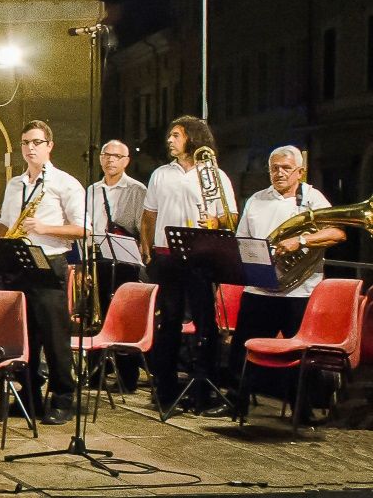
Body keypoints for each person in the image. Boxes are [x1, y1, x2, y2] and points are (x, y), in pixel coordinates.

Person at [227, 145, 343, 422]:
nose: (279, 173)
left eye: (285, 168)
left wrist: (300, 241)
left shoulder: (314, 199)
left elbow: (337, 233)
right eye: (274, 168)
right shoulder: (256, 199)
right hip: (259, 288)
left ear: (300, 171)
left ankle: (301, 409)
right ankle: (236, 401)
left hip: (300, 291)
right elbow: (243, 241)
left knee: (300, 354)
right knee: (242, 348)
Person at [0, 120, 85, 425]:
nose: (30, 148)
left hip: (50, 261)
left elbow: (83, 229)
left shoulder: (65, 183)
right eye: (25, 143)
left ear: (49, 146)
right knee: (25, 334)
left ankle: (63, 398)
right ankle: (29, 395)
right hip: (19, 261)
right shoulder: (16, 184)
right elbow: (6, 223)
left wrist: (45, 228)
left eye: (36, 142)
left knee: (55, 336)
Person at [141, 115, 236, 416]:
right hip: (168, 256)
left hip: (201, 256)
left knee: (205, 324)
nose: (170, 140)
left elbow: (229, 217)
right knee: (167, 322)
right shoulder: (160, 174)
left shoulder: (213, 175)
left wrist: (215, 222)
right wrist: (147, 248)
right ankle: (165, 389)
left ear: (192, 138)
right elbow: (149, 214)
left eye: (176, 135)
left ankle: (203, 389)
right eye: (170, 135)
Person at [82, 139, 148, 390]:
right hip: (97, 257)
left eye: (116, 156)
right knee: (95, 314)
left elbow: (142, 227)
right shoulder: (92, 190)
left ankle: (127, 374)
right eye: (106, 155)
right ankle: (97, 370)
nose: (110, 160)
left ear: (126, 161)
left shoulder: (137, 189)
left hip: (125, 261)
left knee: (124, 317)